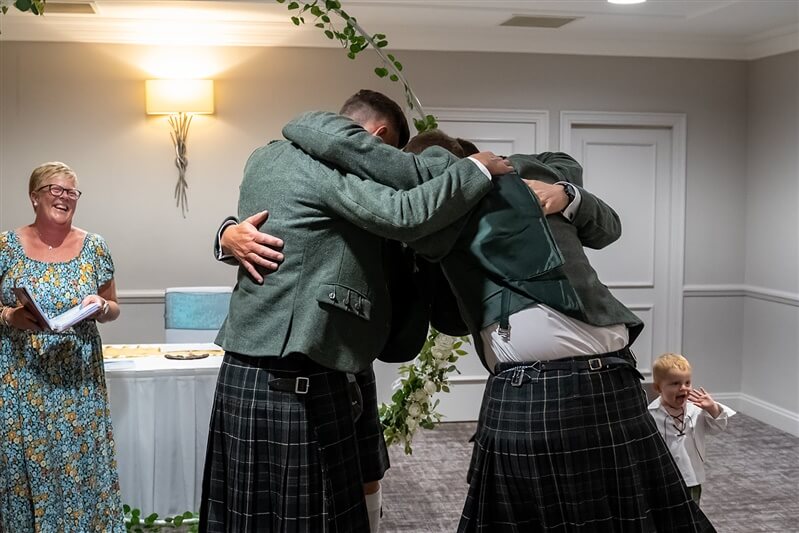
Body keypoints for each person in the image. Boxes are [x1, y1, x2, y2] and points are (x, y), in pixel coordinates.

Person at [279, 123, 716, 531]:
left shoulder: (526, 172)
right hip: (523, 387)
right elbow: (446, 318)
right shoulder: (424, 218)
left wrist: (568, 194)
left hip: (606, 376)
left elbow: (605, 221)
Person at [200, 90, 512, 533]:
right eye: (385, 154)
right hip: (291, 376)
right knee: (300, 518)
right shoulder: (317, 165)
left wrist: (226, 234)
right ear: (374, 139)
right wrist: (475, 168)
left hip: (307, 362)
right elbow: (404, 214)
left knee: (280, 512)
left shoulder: (264, 156)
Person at [0, 162, 123, 532]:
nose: (64, 197)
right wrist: (9, 316)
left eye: (71, 192)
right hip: (22, 382)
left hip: (78, 385)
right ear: (34, 196)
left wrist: (101, 307)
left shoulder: (94, 247)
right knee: (24, 468)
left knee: (81, 467)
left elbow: (114, 307)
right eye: (55, 189)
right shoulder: (5, 245)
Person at [649, 352, 736, 506]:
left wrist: (713, 409)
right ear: (658, 387)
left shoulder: (696, 409)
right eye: (675, 383)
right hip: (662, 478)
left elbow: (717, 427)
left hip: (692, 476)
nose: (683, 388)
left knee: (692, 514)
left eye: (687, 383)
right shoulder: (651, 414)